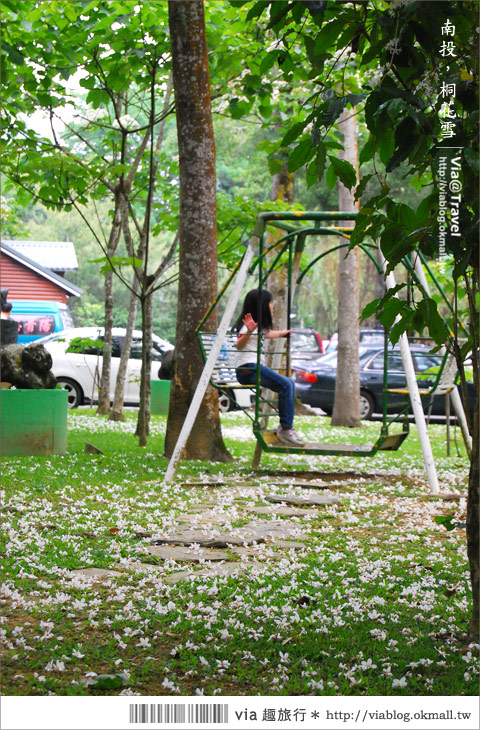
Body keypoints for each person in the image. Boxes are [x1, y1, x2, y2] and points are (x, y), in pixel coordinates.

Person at [234, 288, 305, 447]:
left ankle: (286, 428)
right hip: (247, 369)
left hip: (253, 368)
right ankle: (286, 429)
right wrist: (249, 332)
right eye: (270, 303)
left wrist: (282, 333)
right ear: (262, 306)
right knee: (286, 385)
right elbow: (239, 345)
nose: (272, 306)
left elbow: (267, 333)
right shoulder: (247, 327)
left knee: (290, 384)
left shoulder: (257, 327)